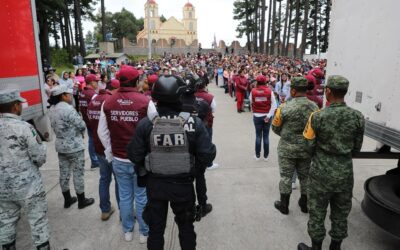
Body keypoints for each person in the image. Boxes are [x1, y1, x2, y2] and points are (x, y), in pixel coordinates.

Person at [127, 75, 216, 250]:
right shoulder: (194, 123)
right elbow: (207, 155)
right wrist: (191, 167)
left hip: (155, 186)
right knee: (186, 228)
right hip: (183, 186)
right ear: (180, 96)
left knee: (156, 230)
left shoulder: (146, 124)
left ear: (156, 98)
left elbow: (134, 155)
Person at [298, 76, 365, 250]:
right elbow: (357, 149)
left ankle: (316, 247)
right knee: (341, 213)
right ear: (345, 92)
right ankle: (336, 247)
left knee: (317, 213)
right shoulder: (357, 117)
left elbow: (307, 146)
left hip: (321, 173)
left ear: (328, 91)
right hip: (344, 173)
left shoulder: (317, 116)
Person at [98, 66, 149, 243]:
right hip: (139, 159)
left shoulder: (108, 101)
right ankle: (144, 231)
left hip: (119, 158)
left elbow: (102, 132)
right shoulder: (144, 101)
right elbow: (154, 129)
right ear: (136, 80)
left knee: (125, 197)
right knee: (141, 197)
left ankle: (128, 230)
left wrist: (110, 152)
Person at [0, 90, 50, 250]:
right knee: (38, 222)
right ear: (15, 106)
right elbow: (39, 157)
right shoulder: (24, 127)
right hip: (28, 187)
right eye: (20, 103)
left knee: (6, 221)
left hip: (2, 188)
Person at [271, 77, 319, 215]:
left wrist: (287, 135)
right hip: (306, 148)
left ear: (292, 90)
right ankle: (304, 204)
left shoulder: (284, 107)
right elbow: (316, 128)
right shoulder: (314, 107)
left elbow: (275, 127)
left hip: (287, 148)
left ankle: (284, 205)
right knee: (305, 177)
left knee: (286, 177)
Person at [48, 85, 95, 210]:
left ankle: (67, 199)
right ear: (63, 95)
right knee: (78, 173)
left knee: (64, 173)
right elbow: (81, 125)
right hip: (74, 146)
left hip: (61, 146)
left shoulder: (52, 109)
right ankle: (81, 200)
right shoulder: (68, 109)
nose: (70, 96)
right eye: (68, 94)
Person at [87, 80, 120, 221]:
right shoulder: (110, 101)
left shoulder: (93, 101)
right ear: (115, 88)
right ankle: (123, 211)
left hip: (98, 146)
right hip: (110, 147)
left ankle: (105, 210)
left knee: (104, 179)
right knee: (119, 180)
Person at [249, 74, 277, 161]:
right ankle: (266, 156)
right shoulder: (269, 91)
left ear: (257, 82)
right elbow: (274, 105)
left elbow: (251, 101)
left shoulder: (253, 91)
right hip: (267, 116)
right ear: (265, 81)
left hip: (257, 116)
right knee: (266, 136)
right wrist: (268, 116)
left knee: (258, 136)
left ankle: (257, 156)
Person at [79, 74, 100, 169]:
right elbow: (96, 109)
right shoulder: (93, 95)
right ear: (92, 82)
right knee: (94, 141)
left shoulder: (82, 93)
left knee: (91, 140)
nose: (98, 83)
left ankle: (94, 160)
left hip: (86, 121)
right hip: (93, 122)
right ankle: (95, 161)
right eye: (96, 81)